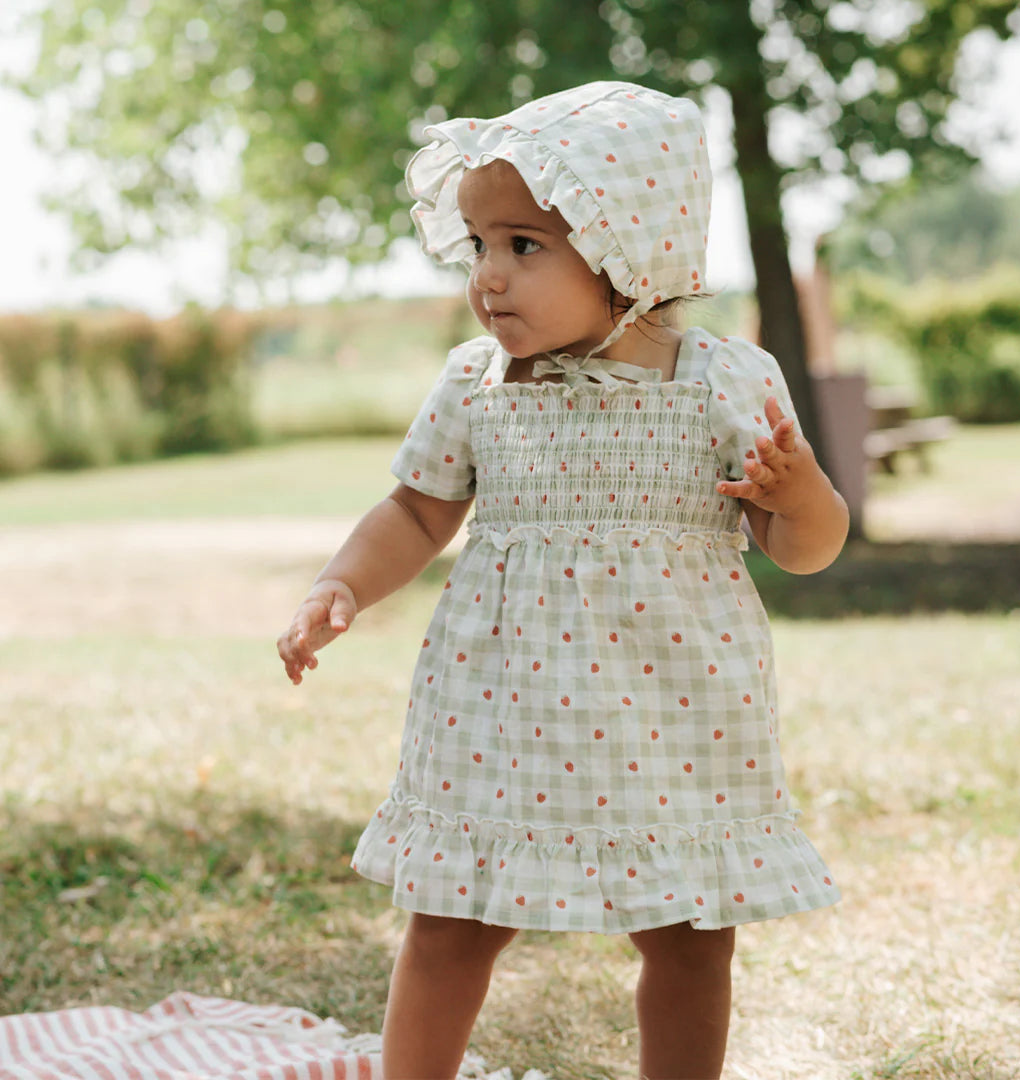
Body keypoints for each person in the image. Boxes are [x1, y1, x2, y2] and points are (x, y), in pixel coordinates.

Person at [278, 81, 849, 1080]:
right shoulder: (474, 384)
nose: (489, 278)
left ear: (627, 249)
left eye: (524, 245)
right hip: (499, 706)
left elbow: (802, 548)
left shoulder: (728, 382)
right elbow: (417, 511)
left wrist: (801, 496)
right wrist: (343, 585)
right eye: (478, 246)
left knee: (688, 933)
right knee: (451, 918)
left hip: (673, 714)